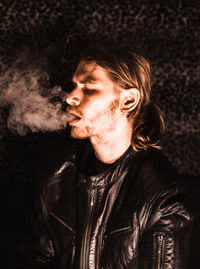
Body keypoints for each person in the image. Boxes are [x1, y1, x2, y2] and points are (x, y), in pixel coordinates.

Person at [18, 42, 192, 269]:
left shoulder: (162, 196)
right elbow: (36, 258)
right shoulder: (55, 173)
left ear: (128, 101)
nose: (70, 98)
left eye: (89, 89)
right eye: (74, 86)